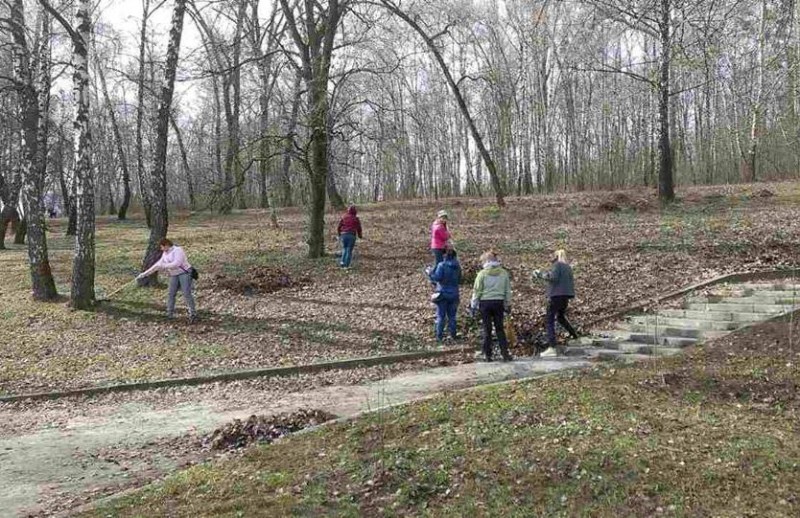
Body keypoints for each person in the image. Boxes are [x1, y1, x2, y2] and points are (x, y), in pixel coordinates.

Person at [136, 238, 197, 322]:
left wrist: (164, 266)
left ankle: (192, 313)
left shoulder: (178, 250)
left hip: (184, 273)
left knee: (186, 292)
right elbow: (157, 265)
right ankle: (169, 313)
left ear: (167, 245)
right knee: (171, 293)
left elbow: (177, 263)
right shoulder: (165, 253)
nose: (161, 249)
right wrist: (144, 274)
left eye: (162, 247)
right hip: (174, 274)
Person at [533, 249, 579, 355]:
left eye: (553, 255)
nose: (551, 257)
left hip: (555, 296)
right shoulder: (568, 267)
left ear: (556, 256)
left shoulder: (557, 265)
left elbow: (552, 277)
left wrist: (539, 274)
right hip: (565, 297)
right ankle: (575, 337)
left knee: (549, 320)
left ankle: (552, 347)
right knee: (560, 317)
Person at [470, 250, 513, 362]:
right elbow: (507, 291)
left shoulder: (482, 274)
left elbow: (477, 291)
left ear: (486, 261)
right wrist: (508, 304)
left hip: (485, 303)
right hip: (498, 303)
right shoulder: (503, 273)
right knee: (500, 329)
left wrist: (473, 305)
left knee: (487, 329)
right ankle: (505, 353)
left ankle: (487, 355)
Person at [429, 247, 461, 343]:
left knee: (441, 316)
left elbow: (437, 278)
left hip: (442, 293)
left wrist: (430, 274)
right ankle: (453, 335)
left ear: (444, 256)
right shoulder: (457, 266)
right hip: (454, 293)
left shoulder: (441, 265)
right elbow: (460, 279)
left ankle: (439, 336)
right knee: (452, 316)